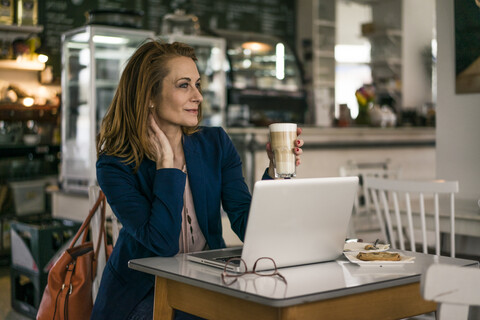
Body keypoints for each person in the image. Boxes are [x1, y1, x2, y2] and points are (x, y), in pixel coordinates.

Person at [91, 40, 304, 320]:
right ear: (150, 96)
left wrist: (276, 172)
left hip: (206, 281)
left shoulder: (215, 143)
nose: (198, 96)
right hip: (144, 292)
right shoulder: (115, 164)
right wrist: (167, 166)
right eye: (184, 85)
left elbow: (245, 224)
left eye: (198, 84)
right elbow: (163, 243)